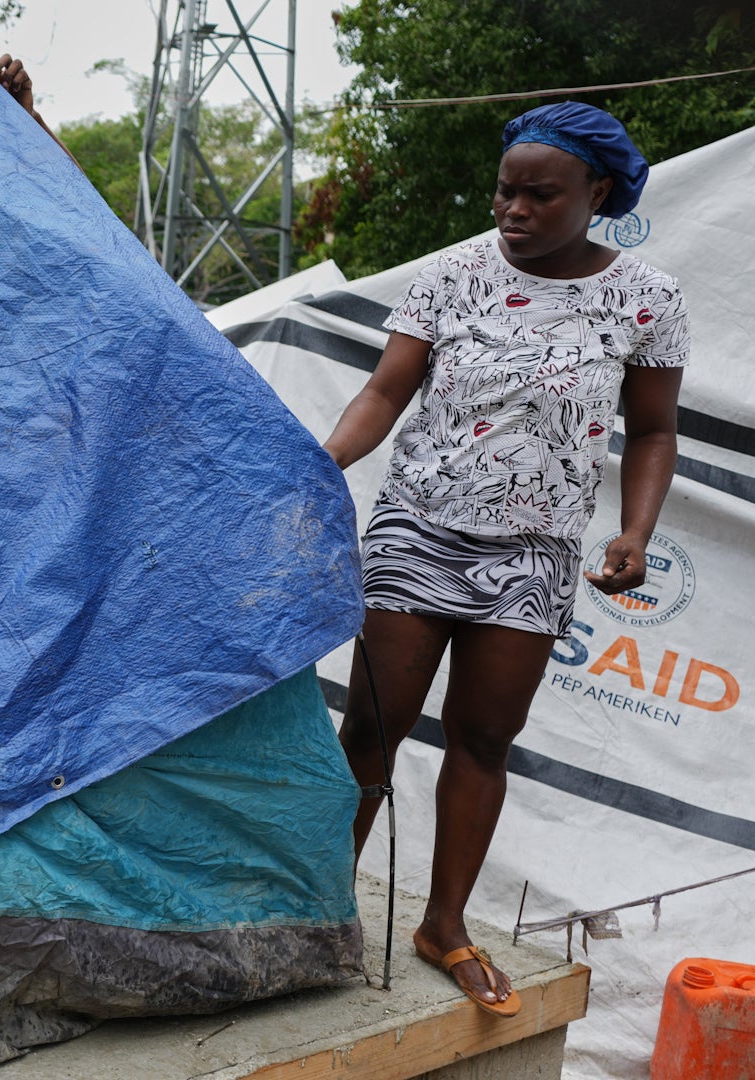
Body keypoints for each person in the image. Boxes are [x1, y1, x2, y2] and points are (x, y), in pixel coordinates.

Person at [322, 103, 686, 1016]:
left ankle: (444, 926)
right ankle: (314, 911)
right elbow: (384, 390)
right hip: (420, 529)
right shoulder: (452, 276)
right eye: (503, 189)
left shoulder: (648, 301)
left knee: (485, 739)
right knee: (374, 727)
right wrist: (322, 465)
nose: (513, 208)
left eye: (540, 193)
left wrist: (635, 530)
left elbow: (652, 429)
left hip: (535, 553)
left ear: (597, 192)